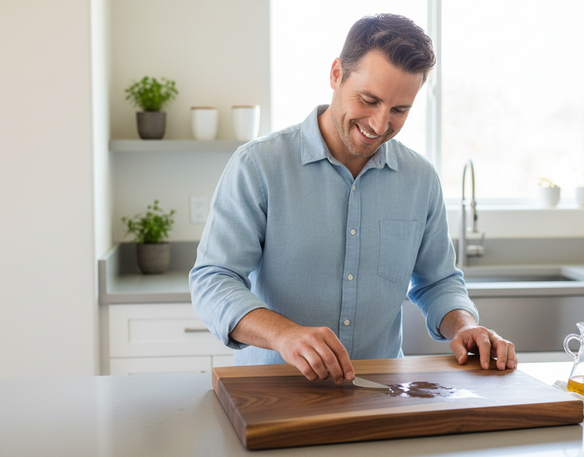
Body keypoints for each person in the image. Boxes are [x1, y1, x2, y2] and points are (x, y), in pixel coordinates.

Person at [190, 13, 517, 384]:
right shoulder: (259, 165)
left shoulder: (420, 179)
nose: (379, 124)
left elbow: (438, 281)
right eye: (369, 100)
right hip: (272, 391)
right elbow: (213, 280)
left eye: (399, 110)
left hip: (380, 395)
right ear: (336, 74)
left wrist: (464, 325)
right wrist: (284, 334)